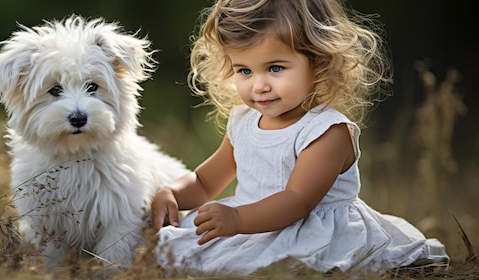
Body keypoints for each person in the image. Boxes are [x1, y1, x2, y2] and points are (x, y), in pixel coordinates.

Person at [151, 0, 449, 276]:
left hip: (312, 231)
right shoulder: (243, 121)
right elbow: (205, 181)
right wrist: (173, 193)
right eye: (244, 70)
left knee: (291, 266)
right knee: (169, 247)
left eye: (275, 68)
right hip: (250, 223)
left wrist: (237, 220)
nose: (259, 85)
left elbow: (298, 201)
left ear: (319, 62)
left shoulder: (326, 131)